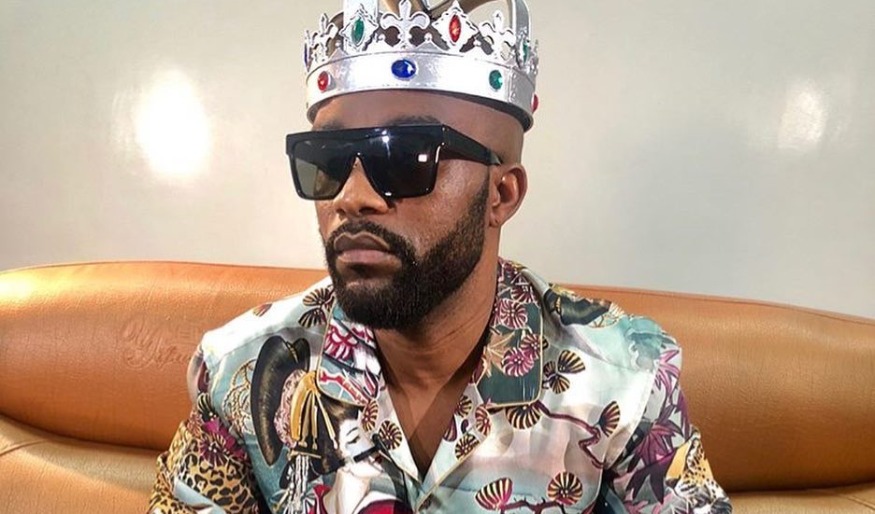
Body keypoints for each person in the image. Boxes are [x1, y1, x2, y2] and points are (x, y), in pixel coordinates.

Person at [150, 0, 731, 512]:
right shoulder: (240, 372)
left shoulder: (624, 379)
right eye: (328, 159)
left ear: (501, 195)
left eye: (407, 158)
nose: (352, 197)